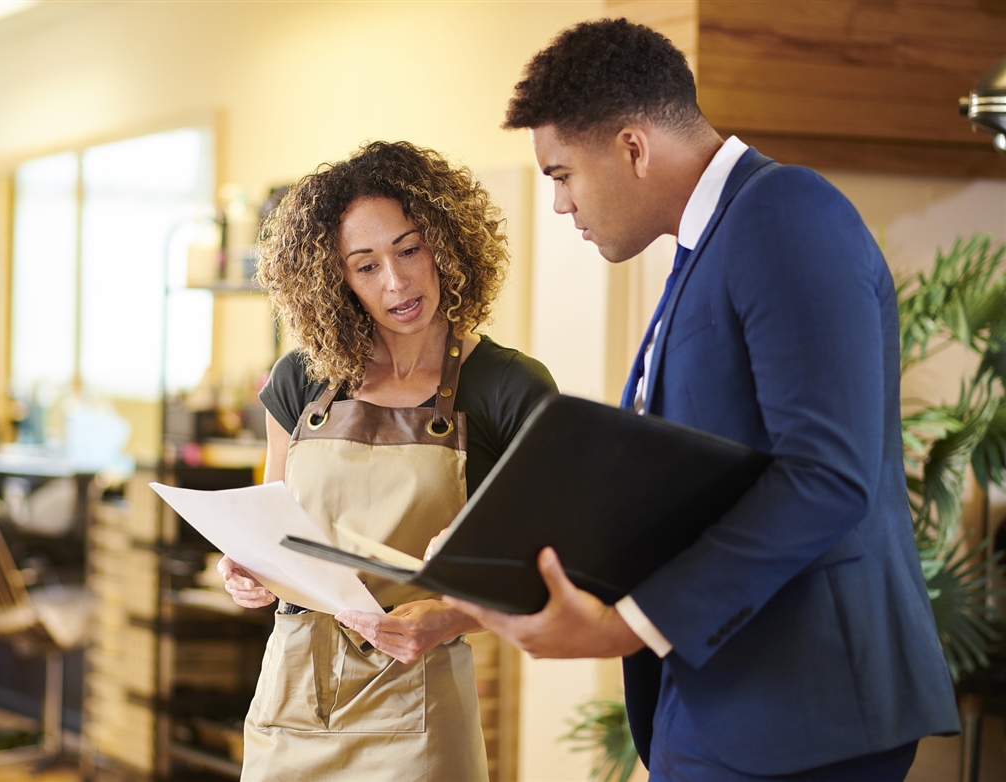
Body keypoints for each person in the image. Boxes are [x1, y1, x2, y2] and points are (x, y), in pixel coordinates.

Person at [443, 19, 959, 781]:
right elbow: (699, 478)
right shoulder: (706, 246)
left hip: (801, 709)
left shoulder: (784, 212)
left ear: (632, 147)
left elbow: (826, 474)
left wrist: (627, 626)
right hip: (727, 698)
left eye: (561, 175)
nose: (560, 205)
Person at [216, 141, 556, 780]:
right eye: (365, 266)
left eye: (408, 249)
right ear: (333, 279)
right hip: (290, 702)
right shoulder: (299, 381)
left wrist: (449, 616)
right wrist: (246, 573)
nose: (396, 282)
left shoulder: (509, 389)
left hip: (418, 707)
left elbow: (543, 569)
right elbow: (270, 528)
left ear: (447, 244)